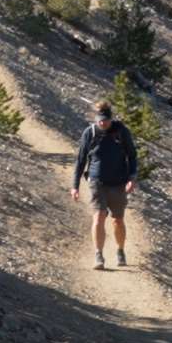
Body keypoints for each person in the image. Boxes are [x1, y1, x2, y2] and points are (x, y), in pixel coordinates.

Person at [70, 100, 139, 269]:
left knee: (117, 220)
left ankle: (120, 250)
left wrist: (132, 178)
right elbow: (80, 160)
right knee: (99, 216)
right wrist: (75, 186)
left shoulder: (121, 132)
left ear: (111, 118)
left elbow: (132, 156)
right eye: (100, 120)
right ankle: (98, 255)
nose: (102, 123)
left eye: (105, 120)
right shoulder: (90, 133)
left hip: (118, 183)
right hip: (96, 181)